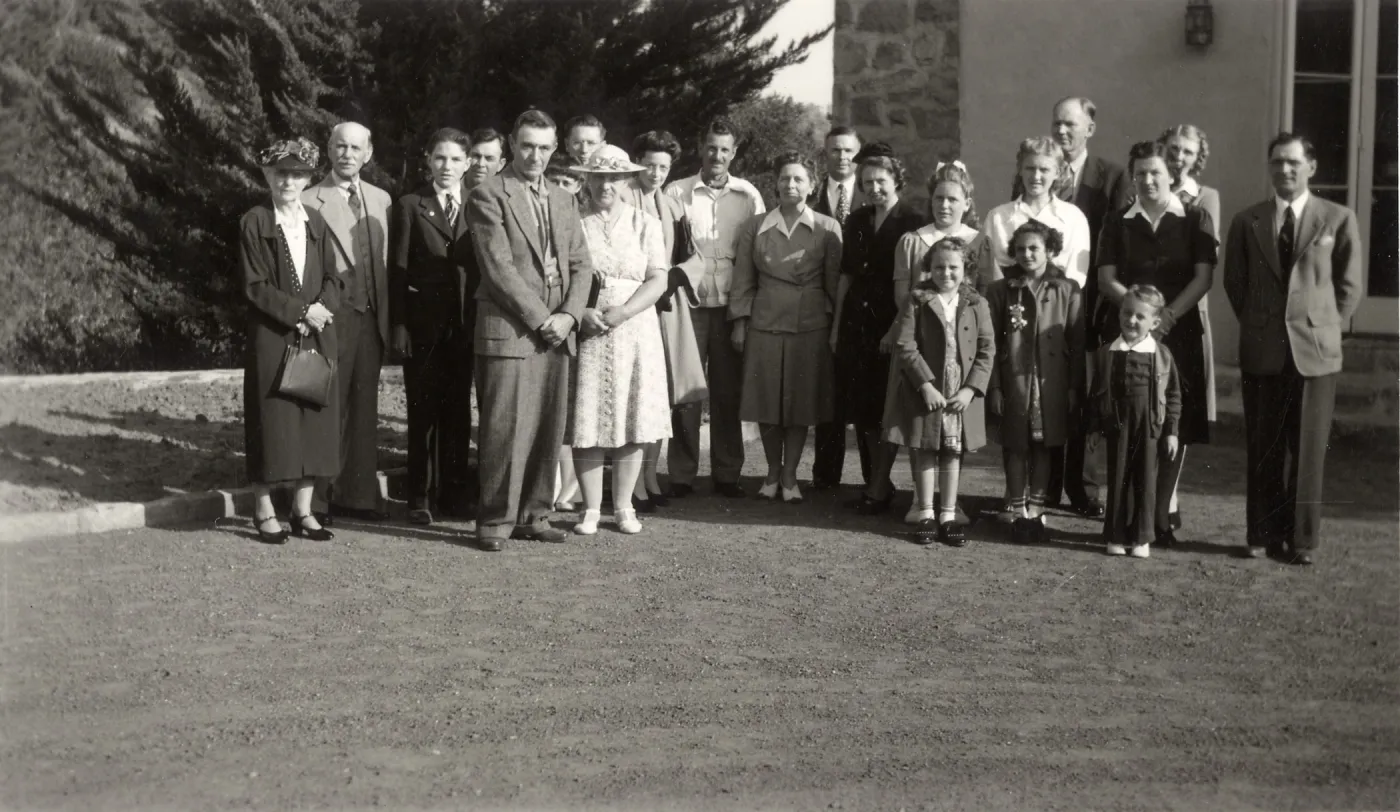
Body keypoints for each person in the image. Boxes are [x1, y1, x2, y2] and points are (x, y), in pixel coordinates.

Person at [1222, 132, 1363, 566]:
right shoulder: (1249, 221)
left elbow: (1349, 286)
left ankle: (1302, 540)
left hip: (1315, 352)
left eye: (1293, 163)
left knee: (1307, 450)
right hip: (1264, 350)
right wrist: (1260, 322)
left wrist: (1323, 325)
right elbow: (1235, 283)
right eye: (1277, 163)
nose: (1284, 170)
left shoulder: (1336, 218)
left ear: (1311, 167)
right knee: (1264, 446)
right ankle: (1261, 533)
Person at [466, 109, 594, 551]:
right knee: (504, 429)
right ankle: (495, 522)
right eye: (526, 146)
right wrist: (544, 319)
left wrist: (570, 316)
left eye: (543, 147)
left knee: (546, 424)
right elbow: (499, 270)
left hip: (558, 329)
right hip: (512, 328)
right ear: (511, 143)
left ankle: (534, 514)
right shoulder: (488, 194)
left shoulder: (563, 198)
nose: (535, 155)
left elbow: (581, 263)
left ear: (554, 148)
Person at [1097, 140, 1217, 547]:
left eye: (1156, 174)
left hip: (1177, 333)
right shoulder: (1118, 221)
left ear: (1172, 176)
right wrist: (1139, 315)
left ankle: (1160, 516)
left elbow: (1203, 278)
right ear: (1132, 176)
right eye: (1141, 173)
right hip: (1132, 331)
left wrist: (1166, 317)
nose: (1148, 180)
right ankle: (1129, 518)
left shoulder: (1195, 218)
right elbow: (1106, 278)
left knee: (1171, 425)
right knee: (1131, 425)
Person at [239, 137, 341, 544]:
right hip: (273, 334)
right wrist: (299, 313)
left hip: (316, 333)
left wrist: (318, 311)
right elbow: (256, 285)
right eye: (281, 173)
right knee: (273, 421)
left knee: (313, 420)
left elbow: (335, 277)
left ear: (307, 179)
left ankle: (304, 511)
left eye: (297, 174)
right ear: (268, 175)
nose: (289, 181)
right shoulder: (255, 221)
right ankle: (264, 511)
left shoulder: (316, 221)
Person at [568, 145, 673, 535]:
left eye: (614, 177)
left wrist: (624, 312)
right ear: (588, 180)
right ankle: (591, 508)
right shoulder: (574, 221)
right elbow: (561, 276)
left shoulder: (645, 222)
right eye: (598, 177)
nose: (606, 185)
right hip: (589, 327)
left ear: (626, 180)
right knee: (588, 416)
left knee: (631, 417)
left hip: (634, 326)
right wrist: (581, 313)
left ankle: (624, 506)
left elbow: (658, 278)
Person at [729, 152, 843, 503]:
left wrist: (834, 329)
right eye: (784, 179)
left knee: (799, 404)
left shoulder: (828, 227)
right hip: (765, 322)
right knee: (767, 402)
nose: (790, 185)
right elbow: (743, 281)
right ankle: (771, 472)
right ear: (775, 184)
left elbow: (834, 285)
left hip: (810, 325)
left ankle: (791, 474)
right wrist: (739, 323)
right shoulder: (755, 226)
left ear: (811, 186)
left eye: (798, 179)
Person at [664, 117, 766, 498]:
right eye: (711, 147)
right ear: (700, 149)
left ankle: (727, 473)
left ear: (734, 153)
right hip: (689, 304)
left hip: (729, 306)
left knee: (728, 393)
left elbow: (754, 256)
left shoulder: (749, 195)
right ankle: (681, 473)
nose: (717, 155)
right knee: (687, 391)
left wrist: (743, 312)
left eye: (725, 149)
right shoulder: (678, 191)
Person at [389, 127, 481, 525]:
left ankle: (455, 496)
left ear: (469, 163)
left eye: (456, 159)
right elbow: (397, 271)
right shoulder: (411, 205)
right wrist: (399, 325)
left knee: (458, 412)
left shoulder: (479, 205)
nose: (447, 167)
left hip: (465, 327)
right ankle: (420, 497)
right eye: (440, 158)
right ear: (427, 159)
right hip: (424, 327)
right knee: (423, 410)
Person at [303, 121, 391, 525]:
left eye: (356, 148)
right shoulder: (309, 199)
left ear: (368, 154)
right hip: (331, 319)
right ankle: (318, 500)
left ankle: (357, 496)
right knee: (327, 407)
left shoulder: (382, 200)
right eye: (341, 146)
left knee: (364, 408)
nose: (348, 154)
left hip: (371, 318)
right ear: (329, 148)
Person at [888, 160, 984, 524]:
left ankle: (949, 503)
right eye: (939, 198)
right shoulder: (914, 240)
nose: (945, 205)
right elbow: (903, 297)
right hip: (922, 348)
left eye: (953, 199)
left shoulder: (978, 241)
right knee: (921, 424)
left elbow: (979, 301)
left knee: (954, 432)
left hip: (961, 351)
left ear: (966, 201)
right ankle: (921, 499)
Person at [831, 153, 927, 515]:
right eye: (867, 182)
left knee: (890, 407)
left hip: (895, 322)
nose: (874, 188)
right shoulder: (856, 219)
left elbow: (914, 283)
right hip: (859, 322)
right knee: (864, 408)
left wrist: (896, 328)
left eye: (880, 181)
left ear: (895, 180)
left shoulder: (913, 220)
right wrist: (838, 326)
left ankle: (893, 486)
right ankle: (876, 483)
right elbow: (847, 276)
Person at [884, 236, 993, 547]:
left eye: (953, 267)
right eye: (939, 267)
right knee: (926, 448)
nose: (946, 273)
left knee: (952, 451)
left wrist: (971, 390)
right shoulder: (916, 300)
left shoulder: (976, 303)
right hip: (927, 389)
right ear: (928, 269)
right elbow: (905, 346)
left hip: (959, 390)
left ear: (966, 269)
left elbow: (987, 350)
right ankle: (926, 513)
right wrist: (926, 385)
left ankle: (948, 515)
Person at [986, 221, 1084, 544]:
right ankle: (1016, 508)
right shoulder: (1002, 290)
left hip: (1051, 383)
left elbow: (1076, 342)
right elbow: (993, 343)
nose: (1026, 255)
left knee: (1044, 445)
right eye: (1020, 249)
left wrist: (1072, 387)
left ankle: (1037, 508)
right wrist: (996, 386)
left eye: (1034, 248)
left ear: (1051, 251)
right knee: (1016, 445)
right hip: (1015, 379)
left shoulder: (1067, 289)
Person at [624, 130, 707, 513]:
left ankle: (650, 477)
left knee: (660, 393)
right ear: (636, 161)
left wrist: (675, 276)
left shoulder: (673, 206)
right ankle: (628, 483)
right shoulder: (622, 196)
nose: (656, 173)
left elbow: (694, 255)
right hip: (631, 301)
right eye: (649, 165)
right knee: (633, 391)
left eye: (663, 167)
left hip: (666, 307)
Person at [1087, 284, 1182, 559]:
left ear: (1154, 322)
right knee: (1118, 480)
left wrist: (1172, 432)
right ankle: (1115, 535)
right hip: (1118, 426)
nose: (1132, 321)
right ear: (1119, 314)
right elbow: (1096, 393)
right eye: (1127, 313)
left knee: (1146, 482)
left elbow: (1173, 395)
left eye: (1140, 317)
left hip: (1150, 427)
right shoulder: (1108, 352)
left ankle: (1141, 538)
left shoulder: (1161, 355)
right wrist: (1094, 427)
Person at [1159, 124, 1221, 491]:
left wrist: (1172, 312)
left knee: (1181, 409)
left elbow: (1208, 258)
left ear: (1198, 157)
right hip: (1149, 309)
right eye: (1172, 148)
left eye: (1186, 151)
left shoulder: (1205, 197)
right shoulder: (1149, 188)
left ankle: (1170, 498)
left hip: (1187, 310)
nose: (1177, 156)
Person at [809, 125, 866, 490]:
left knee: (864, 395)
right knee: (826, 394)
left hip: (864, 310)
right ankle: (826, 478)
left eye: (848, 151)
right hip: (822, 305)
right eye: (834, 151)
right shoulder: (812, 197)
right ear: (825, 155)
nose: (842, 157)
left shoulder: (872, 193)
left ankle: (873, 481)